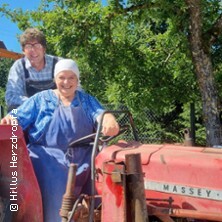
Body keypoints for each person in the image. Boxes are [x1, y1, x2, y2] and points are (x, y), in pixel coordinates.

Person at [1, 58, 119, 222]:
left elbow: (101, 114)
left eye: (71, 78)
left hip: (84, 157)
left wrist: (109, 120)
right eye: (62, 77)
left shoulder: (86, 100)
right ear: (55, 79)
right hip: (48, 158)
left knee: (103, 189)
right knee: (58, 199)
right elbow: (16, 116)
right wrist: (9, 118)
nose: (66, 82)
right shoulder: (41, 99)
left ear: (77, 80)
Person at [5, 27, 61, 111]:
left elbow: (76, 90)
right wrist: (37, 103)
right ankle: (14, 125)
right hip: (30, 112)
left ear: (44, 48)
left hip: (57, 111)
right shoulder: (19, 66)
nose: (33, 50)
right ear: (23, 50)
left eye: (37, 45)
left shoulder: (59, 64)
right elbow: (11, 96)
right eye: (28, 46)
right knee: (13, 111)